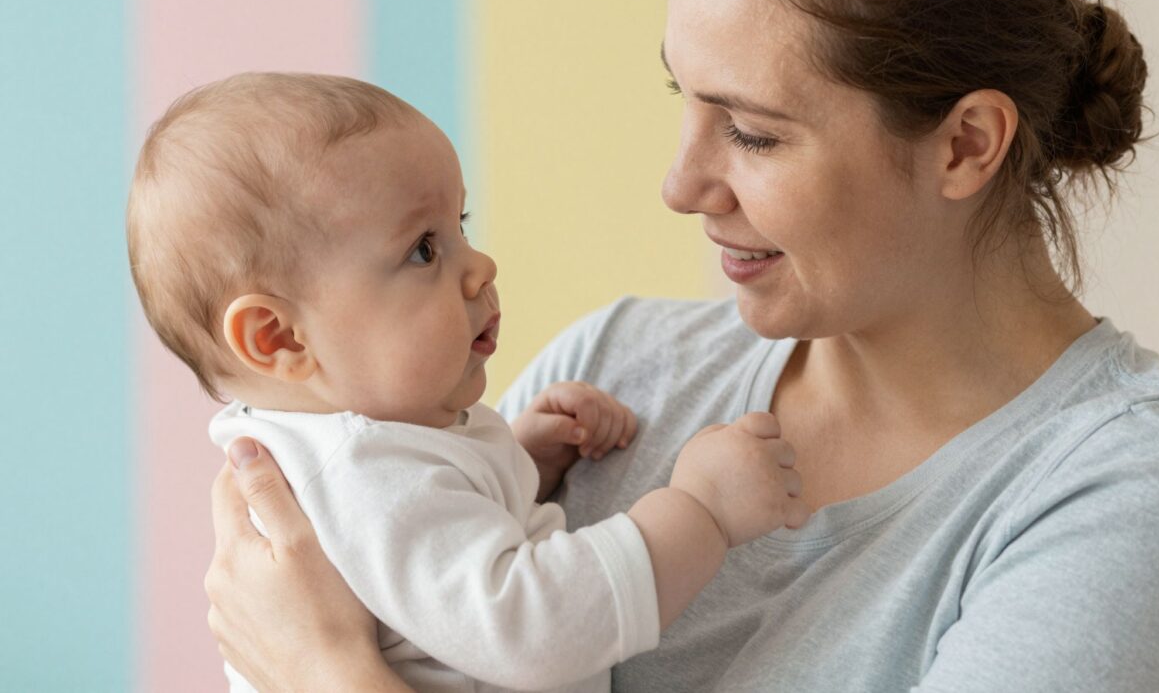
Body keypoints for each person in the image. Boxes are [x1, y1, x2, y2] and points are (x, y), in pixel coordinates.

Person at [204, 0, 1159, 693]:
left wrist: (324, 672)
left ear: (965, 145)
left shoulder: (1124, 499)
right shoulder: (614, 379)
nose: (681, 187)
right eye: (684, 98)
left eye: (754, 133)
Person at [127, 72, 807, 693]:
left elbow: (437, 563)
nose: (481, 266)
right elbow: (533, 631)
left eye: (460, 226)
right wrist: (701, 512)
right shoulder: (364, 474)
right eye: (423, 249)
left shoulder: (372, 450)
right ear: (281, 339)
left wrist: (515, 464)